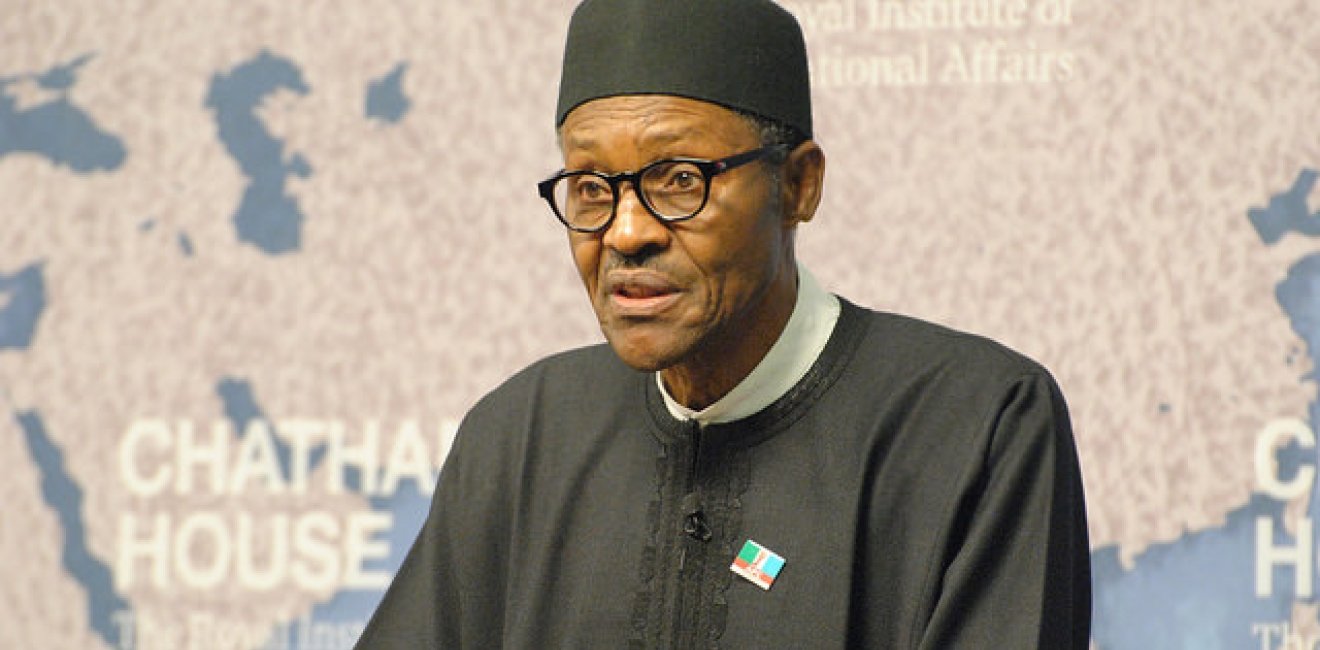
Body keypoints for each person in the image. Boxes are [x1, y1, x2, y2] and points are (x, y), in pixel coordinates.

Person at [355, 0, 1091, 647]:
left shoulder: (975, 423)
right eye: (590, 188)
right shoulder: (519, 437)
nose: (625, 232)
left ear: (798, 185)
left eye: (680, 179)